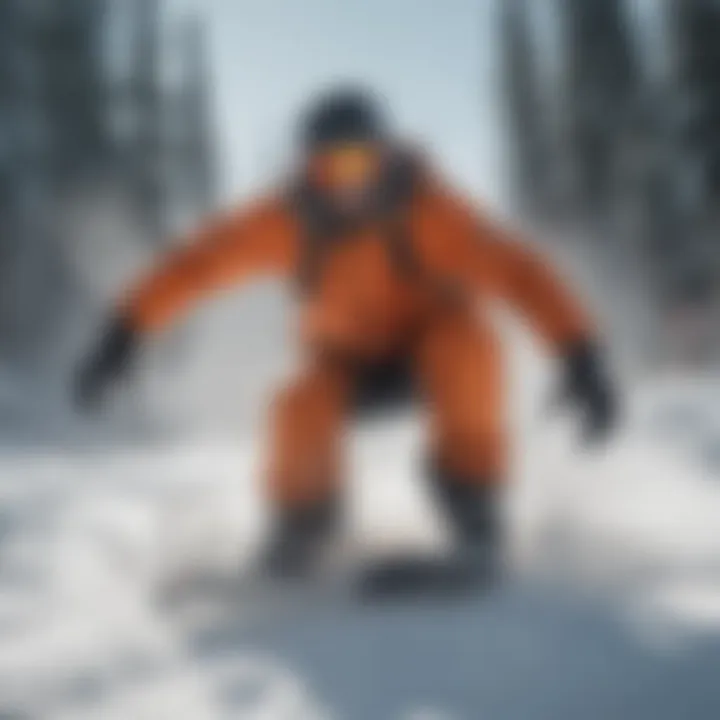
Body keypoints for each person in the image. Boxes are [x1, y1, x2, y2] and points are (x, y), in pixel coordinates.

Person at [76, 87, 617, 580]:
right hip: (346, 359)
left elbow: (518, 272)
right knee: (297, 402)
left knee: (470, 346)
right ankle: (304, 522)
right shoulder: (285, 221)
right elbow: (195, 266)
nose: (346, 180)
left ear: (383, 156)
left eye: (358, 160)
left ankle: (472, 508)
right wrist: (122, 335)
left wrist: (579, 355)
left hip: (429, 346)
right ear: (308, 170)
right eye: (327, 167)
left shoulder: (429, 210)